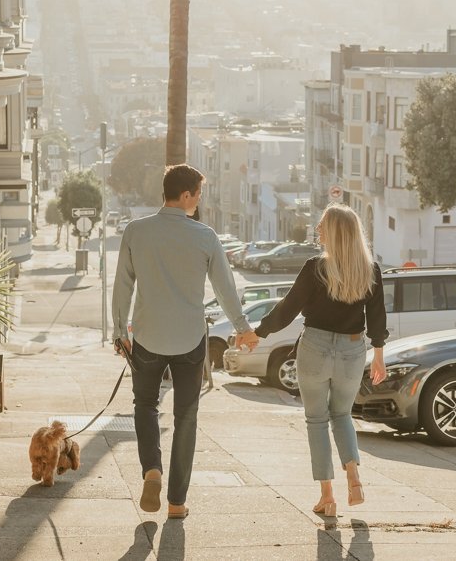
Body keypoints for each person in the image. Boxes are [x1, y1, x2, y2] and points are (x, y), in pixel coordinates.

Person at [110, 164, 259, 518]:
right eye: (198, 195)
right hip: (191, 341)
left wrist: (119, 332)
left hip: (146, 337)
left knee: (145, 406)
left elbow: (123, 286)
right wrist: (242, 326)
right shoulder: (205, 236)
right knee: (186, 417)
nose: (199, 202)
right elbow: (225, 289)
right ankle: (177, 502)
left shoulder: (136, 231)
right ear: (187, 194)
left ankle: (152, 470)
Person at [250, 204, 389, 518]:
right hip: (354, 350)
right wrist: (378, 356)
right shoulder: (371, 269)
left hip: (314, 347)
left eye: (322, 226)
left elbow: (287, 309)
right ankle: (353, 477)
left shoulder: (315, 267)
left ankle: (328, 496)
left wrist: (258, 333)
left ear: (336, 232)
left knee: (316, 420)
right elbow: (377, 318)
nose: (317, 231)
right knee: (342, 414)